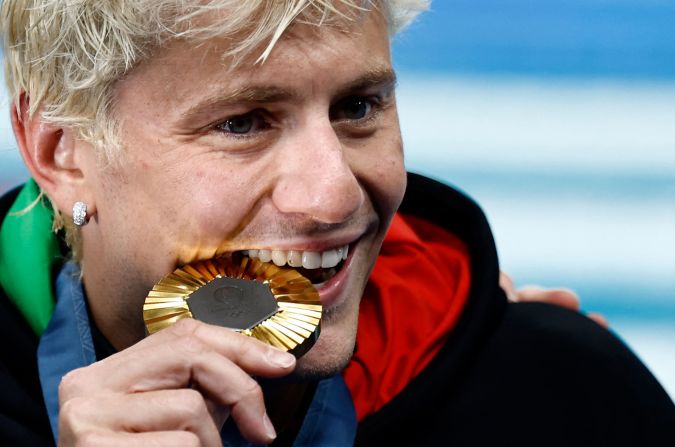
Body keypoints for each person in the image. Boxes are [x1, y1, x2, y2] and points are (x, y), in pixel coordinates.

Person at [0, 1, 673, 445]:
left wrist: (544, 378)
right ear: (61, 151)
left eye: (357, 106)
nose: (332, 197)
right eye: (241, 122)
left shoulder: (556, 396)